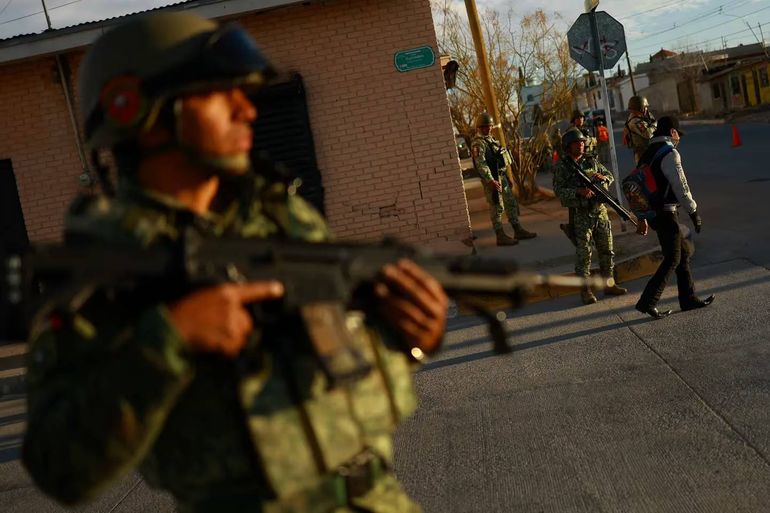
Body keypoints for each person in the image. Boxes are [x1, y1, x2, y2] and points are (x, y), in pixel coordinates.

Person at [22, 12, 449, 513]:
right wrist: (170, 340)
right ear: (138, 110)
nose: (248, 110)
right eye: (219, 94)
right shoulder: (104, 264)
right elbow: (59, 468)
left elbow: (335, 357)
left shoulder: (280, 216)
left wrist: (410, 338)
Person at [634, 116, 715, 319]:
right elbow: (681, 185)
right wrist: (693, 211)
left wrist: (642, 216)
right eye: (678, 133)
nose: (679, 138)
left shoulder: (647, 154)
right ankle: (648, 302)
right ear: (672, 132)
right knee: (673, 258)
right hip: (666, 212)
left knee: (683, 254)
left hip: (653, 212)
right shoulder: (669, 153)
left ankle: (688, 299)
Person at [553, 128, 628, 304]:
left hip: (599, 211)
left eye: (581, 142)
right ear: (568, 146)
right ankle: (585, 290)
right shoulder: (563, 167)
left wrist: (603, 179)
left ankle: (609, 284)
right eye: (576, 143)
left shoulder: (590, 160)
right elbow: (559, 191)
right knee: (584, 254)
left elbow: (609, 176)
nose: (581, 145)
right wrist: (578, 191)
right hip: (581, 215)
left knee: (607, 250)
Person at [471, 112, 537, 246]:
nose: (488, 129)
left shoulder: (491, 140)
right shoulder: (478, 144)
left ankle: (517, 229)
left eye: (489, 126)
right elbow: (481, 163)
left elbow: (501, 159)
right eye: (485, 127)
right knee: (497, 207)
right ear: (479, 128)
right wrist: (490, 180)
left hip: (501, 176)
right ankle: (500, 235)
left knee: (511, 202)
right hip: (492, 180)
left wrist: (507, 177)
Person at [623, 95, 656, 162]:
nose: (647, 109)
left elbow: (651, 120)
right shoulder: (635, 121)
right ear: (641, 108)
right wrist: (655, 124)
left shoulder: (640, 117)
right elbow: (648, 134)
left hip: (647, 151)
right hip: (643, 154)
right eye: (645, 107)